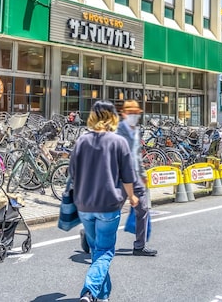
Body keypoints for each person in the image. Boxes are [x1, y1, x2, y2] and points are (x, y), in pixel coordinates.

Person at [71, 100, 138, 302]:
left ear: (92, 116)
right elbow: (128, 176)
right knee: (105, 251)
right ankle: (90, 292)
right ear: (113, 117)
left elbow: (72, 172)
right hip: (108, 205)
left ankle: (103, 296)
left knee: (96, 251)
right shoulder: (119, 142)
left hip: (84, 204)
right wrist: (132, 196)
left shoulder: (81, 141)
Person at [116, 99, 157, 257]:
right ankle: (90, 235)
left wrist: (143, 173)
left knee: (143, 209)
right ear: (124, 114)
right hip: (120, 178)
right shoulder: (118, 131)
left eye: (136, 113)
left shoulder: (136, 130)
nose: (134, 116)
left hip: (135, 177)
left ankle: (139, 246)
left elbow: (136, 154)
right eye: (131, 113)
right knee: (111, 213)